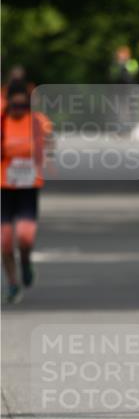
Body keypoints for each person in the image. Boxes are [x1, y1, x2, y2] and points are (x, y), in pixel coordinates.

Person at [1, 80, 53, 304]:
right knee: (4, 241)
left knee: (25, 236)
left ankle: (25, 261)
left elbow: (50, 145)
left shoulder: (38, 122)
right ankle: (13, 283)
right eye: (15, 107)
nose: (19, 111)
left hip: (28, 187)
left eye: (23, 106)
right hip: (4, 187)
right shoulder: (1, 122)